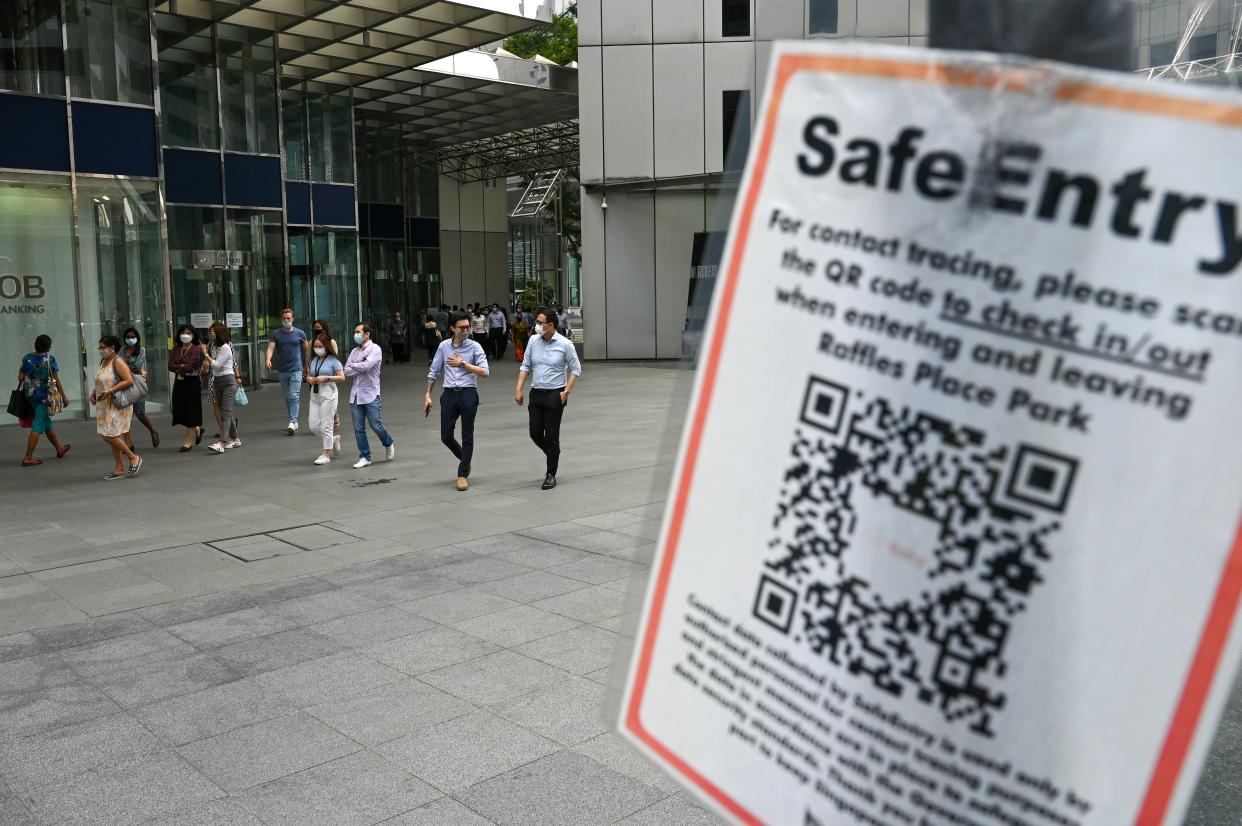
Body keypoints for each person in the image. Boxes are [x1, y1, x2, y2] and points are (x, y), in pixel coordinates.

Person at [515, 308, 582, 490]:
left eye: (540, 322)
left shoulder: (565, 344)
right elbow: (526, 365)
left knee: (552, 436)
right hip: (536, 393)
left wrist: (566, 392)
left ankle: (550, 473)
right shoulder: (533, 340)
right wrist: (519, 388)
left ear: (550, 325)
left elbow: (576, 369)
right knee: (535, 432)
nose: (536, 325)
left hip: (555, 394)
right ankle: (553, 453)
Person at [424, 311, 489, 491]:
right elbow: (434, 372)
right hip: (449, 395)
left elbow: (485, 372)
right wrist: (427, 395)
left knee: (467, 435)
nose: (466, 329)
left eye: (467, 326)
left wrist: (463, 364)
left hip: (468, 393)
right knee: (446, 435)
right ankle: (465, 460)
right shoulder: (444, 346)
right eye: (462, 327)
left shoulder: (475, 347)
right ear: (453, 328)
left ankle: (462, 474)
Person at [343, 323, 395, 469]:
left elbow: (368, 366)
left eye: (358, 332)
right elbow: (346, 371)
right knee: (358, 428)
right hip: (355, 395)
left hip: (371, 393)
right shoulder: (354, 351)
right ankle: (365, 456)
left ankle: (388, 442)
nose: (356, 334)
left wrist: (356, 365)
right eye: (355, 331)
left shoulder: (375, 349)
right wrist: (359, 364)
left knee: (375, 424)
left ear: (367, 334)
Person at [92, 335, 142, 480]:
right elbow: (102, 380)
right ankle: (119, 467)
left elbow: (128, 380)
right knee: (114, 435)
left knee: (109, 435)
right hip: (105, 403)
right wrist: (94, 393)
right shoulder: (104, 361)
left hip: (116, 403)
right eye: (100, 347)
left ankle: (133, 457)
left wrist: (110, 391)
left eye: (103, 347)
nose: (100, 350)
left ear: (112, 348)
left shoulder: (117, 361)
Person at [17, 335, 69, 466]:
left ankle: (59, 448)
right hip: (44, 397)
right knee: (38, 424)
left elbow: (20, 378)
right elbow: (56, 380)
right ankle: (28, 457)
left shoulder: (27, 358)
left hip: (30, 395)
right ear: (48, 347)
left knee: (46, 422)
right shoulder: (49, 360)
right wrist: (64, 396)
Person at [266, 308, 309, 435]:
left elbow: (307, 350)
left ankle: (292, 421)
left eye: (288, 318)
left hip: (296, 369)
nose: (286, 320)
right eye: (284, 318)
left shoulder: (300, 333)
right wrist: (268, 359)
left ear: (293, 319)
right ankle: (294, 421)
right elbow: (270, 347)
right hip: (283, 370)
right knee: (288, 397)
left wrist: (307, 366)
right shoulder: (276, 334)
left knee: (294, 395)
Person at [306, 332, 345, 465]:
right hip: (315, 394)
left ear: (327, 346)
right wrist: (308, 379)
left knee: (327, 425)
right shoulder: (313, 360)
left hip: (329, 394)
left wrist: (327, 378)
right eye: (315, 346)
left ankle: (325, 454)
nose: (317, 349)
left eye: (320, 346)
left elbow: (342, 377)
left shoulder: (334, 361)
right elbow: (308, 374)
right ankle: (333, 439)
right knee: (313, 426)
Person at [202, 324, 241, 454]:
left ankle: (222, 442)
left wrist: (206, 354)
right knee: (225, 411)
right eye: (210, 332)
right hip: (217, 381)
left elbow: (217, 365)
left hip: (228, 381)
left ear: (219, 333)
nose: (210, 334)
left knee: (225, 412)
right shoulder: (214, 346)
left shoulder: (225, 347)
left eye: (212, 332)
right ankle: (235, 438)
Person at [120, 327, 160, 450]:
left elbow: (137, 365)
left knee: (140, 413)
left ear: (137, 338)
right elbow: (117, 363)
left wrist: (124, 362)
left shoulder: (141, 350)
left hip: (136, 384)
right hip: (124, 384)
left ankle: (152, 431)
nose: (130, 339)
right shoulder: (122, 349)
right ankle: (128, 443)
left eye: (133, 337)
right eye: (128, 337)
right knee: (125, 414)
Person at [168, 325, 204, 452]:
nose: (185, 335)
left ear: (193, 335)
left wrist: (180, 366)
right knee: (179, 409)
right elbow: (170, 365)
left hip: (192, 382)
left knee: (191, 410)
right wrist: (182, 366)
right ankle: (197, 429)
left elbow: (191, 366)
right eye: (183, 332)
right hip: (179, 381)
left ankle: (188, 442)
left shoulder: (196, 349)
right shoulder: (176, 348)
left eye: (188, 333)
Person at [312, 319, 341, 432]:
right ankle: (322, 420)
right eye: (315, 327)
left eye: (319, 327)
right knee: (318, 398)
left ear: (324, 328)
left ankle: (333, 416)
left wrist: (332, 374)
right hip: (315, 374)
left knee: (328, 399)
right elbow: (309, 356)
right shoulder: (313, 341)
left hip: (327, 375)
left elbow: (335, 357)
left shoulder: (331, 342)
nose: (317, 329)